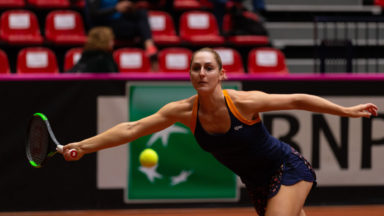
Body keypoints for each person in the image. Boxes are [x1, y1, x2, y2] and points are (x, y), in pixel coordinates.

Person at [61, 48, 378, 216]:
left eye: (208, 68)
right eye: (196, 68)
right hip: (256, 184)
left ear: (221, 74)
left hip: (287, 168)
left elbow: (296, 99)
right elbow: (132, 128)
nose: (201, 73)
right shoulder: (183, 111)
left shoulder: (244, 102)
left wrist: (345, 111)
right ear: (189, 75)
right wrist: (85, 146)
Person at [85, 0, 157, 58]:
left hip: (119, 23)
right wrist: (116, 9)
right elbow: (93, 15)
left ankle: (149, 45)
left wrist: (129, 8)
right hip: (102, 26)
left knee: (142, 13)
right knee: (140, 28)